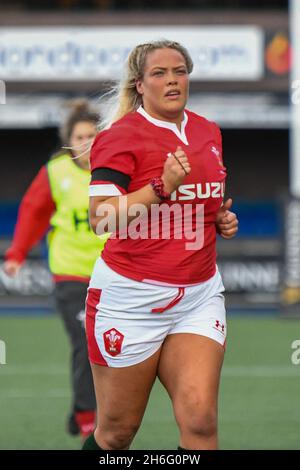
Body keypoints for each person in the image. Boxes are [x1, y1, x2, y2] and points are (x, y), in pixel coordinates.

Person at [83, 40, 238, 451]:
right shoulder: (119, 137)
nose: (172, 80)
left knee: (201, 422)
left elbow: (206, 201)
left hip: (199, 295)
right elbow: (101, 218)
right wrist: (160, 187)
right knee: (117, 433)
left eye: (180, 71)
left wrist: (220, 219)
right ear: (140, 83)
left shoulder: (208, 130)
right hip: (130, 298)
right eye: (160, 73)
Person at [4, 100, 109, 440]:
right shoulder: (56, 173)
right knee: (86, 340)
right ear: (69, 140)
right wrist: (17, 252)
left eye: (93, 135)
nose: (87, 142)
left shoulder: (115, 171)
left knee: (113, 345)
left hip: (113, 275)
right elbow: (33, 213)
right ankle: (86, 415)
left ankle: (103, 412)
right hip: (71, 275)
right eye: (80, 136)